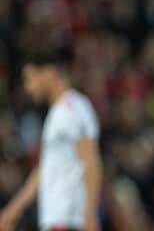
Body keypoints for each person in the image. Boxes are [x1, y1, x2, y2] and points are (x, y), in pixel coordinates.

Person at [0, 53, 102, 231]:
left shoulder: (74, 107)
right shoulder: (55, 114)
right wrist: (13, 209)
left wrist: (89, 214)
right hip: (55, 219)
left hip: (71, 218)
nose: (28, 87)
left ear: (49, 72)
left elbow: (91, 162)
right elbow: (45, 169)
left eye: (30, 78)